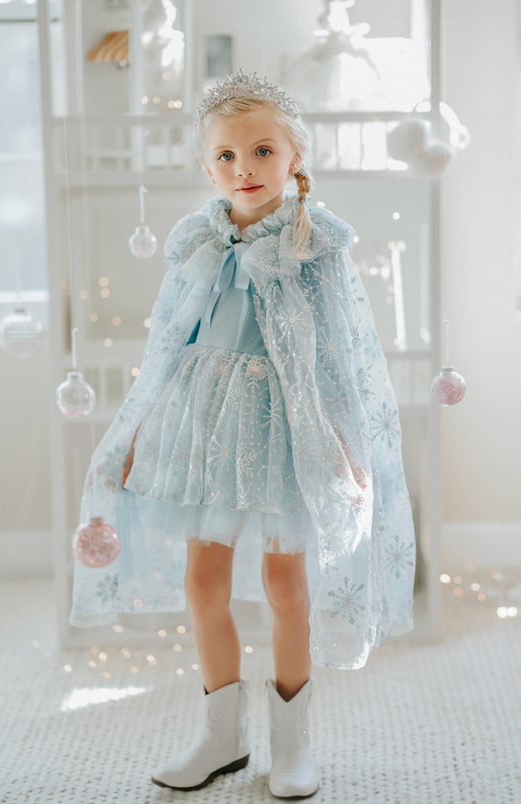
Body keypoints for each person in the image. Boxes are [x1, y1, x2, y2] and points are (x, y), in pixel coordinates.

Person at [70, 69, 416, 798]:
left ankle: (292, 746)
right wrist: (136, 428)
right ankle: (220, 739)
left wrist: (348, 445)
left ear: (294, 158)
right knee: (204, 582)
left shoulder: (313, 241)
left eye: (261, 152)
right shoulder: (197, 240)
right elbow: (168, 342)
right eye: (226, 157)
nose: (243, 169)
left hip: (289, 432)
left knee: (287, 584)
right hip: (204, 428)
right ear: (207, 167)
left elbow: (341, 354)